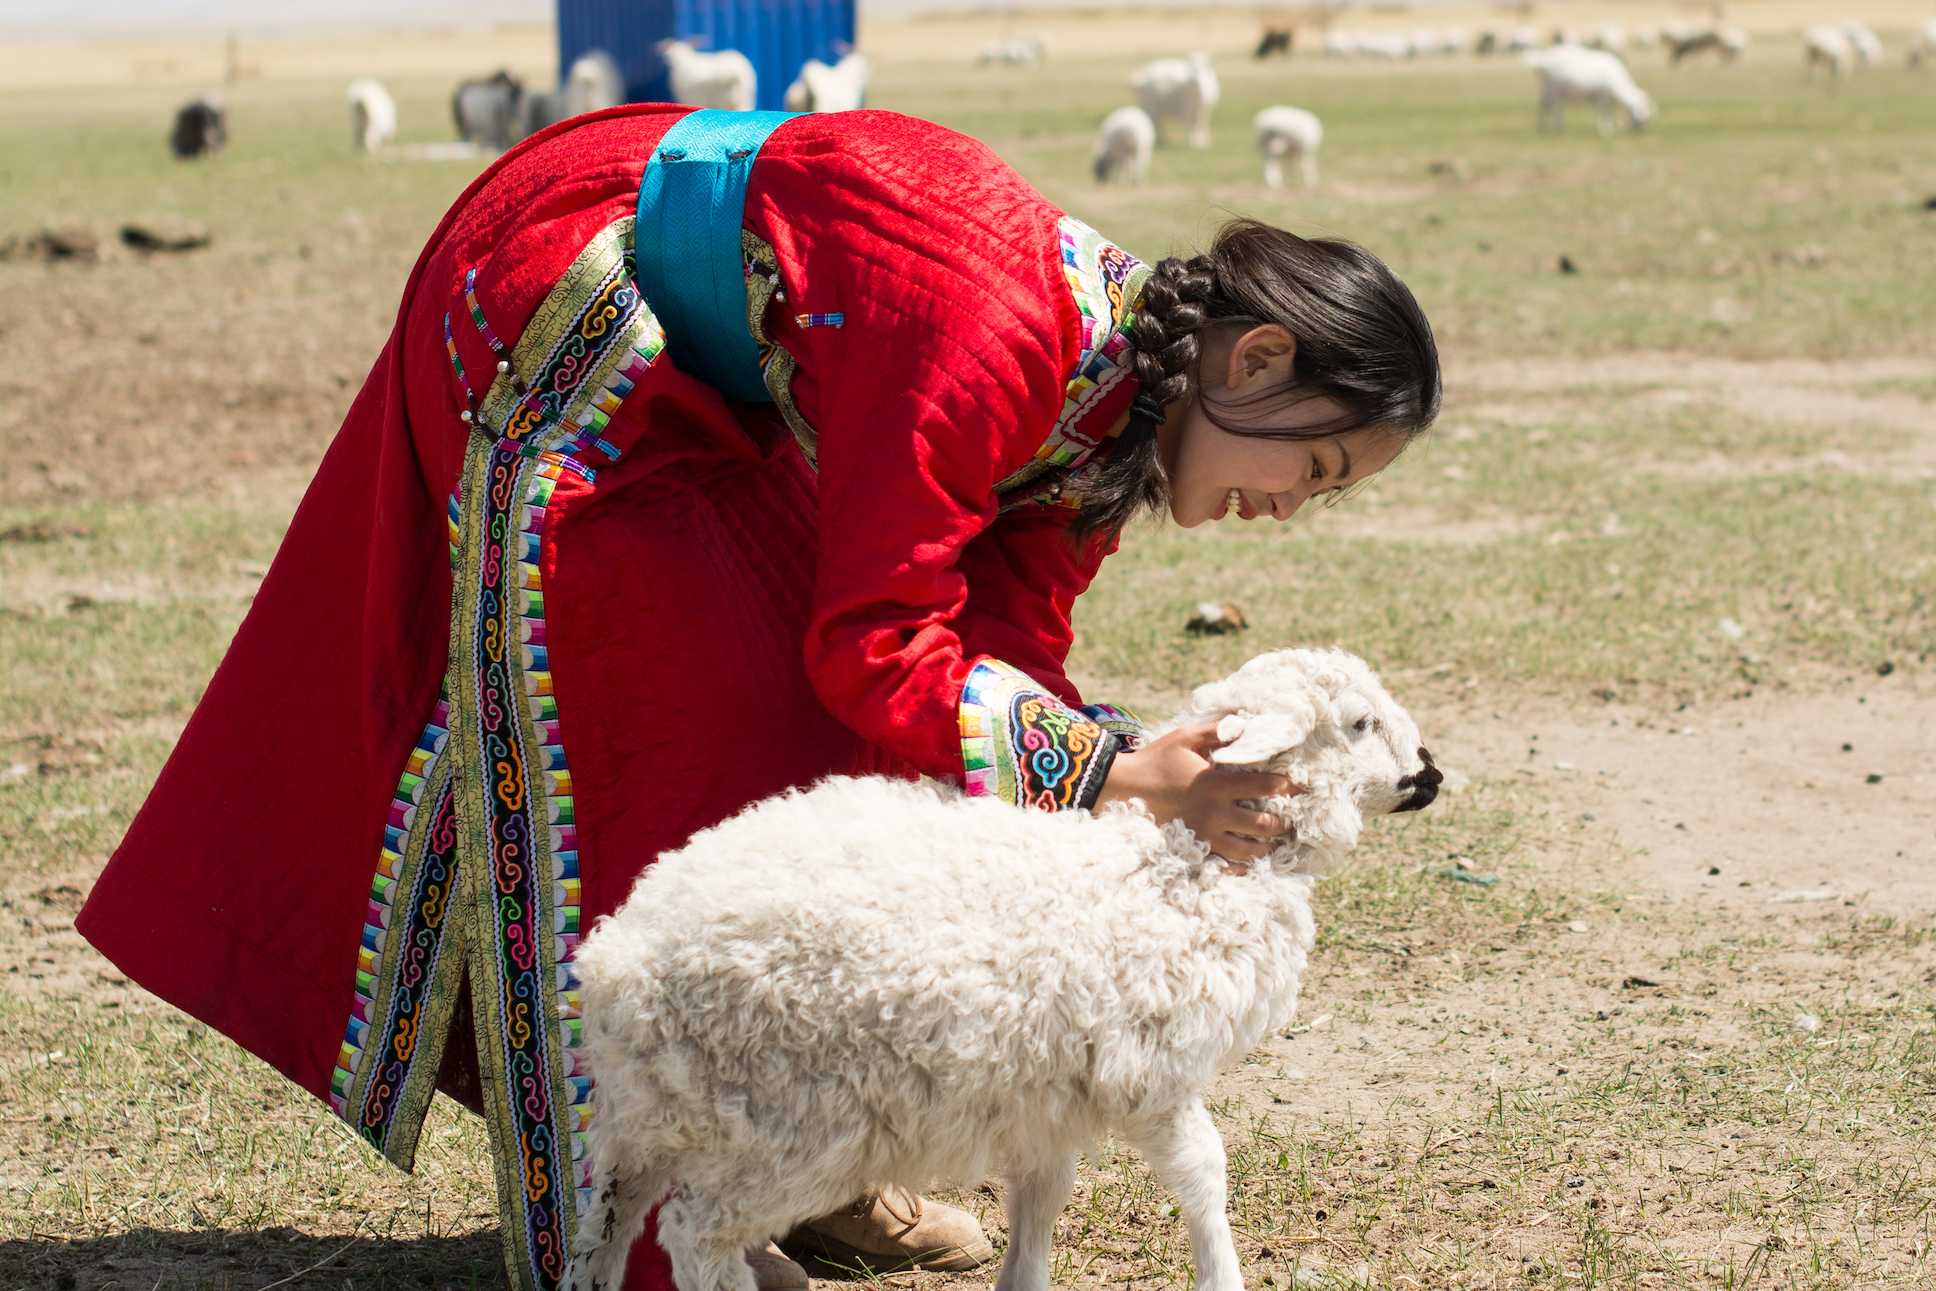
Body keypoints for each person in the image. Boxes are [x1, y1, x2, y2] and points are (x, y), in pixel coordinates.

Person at [77, 103, 1438, 1291]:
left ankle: (827, 1133)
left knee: (866, 748)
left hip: (717, 362)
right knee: (667, 733)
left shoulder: (1108, 427)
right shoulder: (999, 335)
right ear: (1254, 363)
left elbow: (1000, 652)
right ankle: (637, 1228)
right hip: (569, 295)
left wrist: (1110, 775)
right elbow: (881, 644)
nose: (1287, 511)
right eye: (1315, 471)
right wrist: (1120, 771)